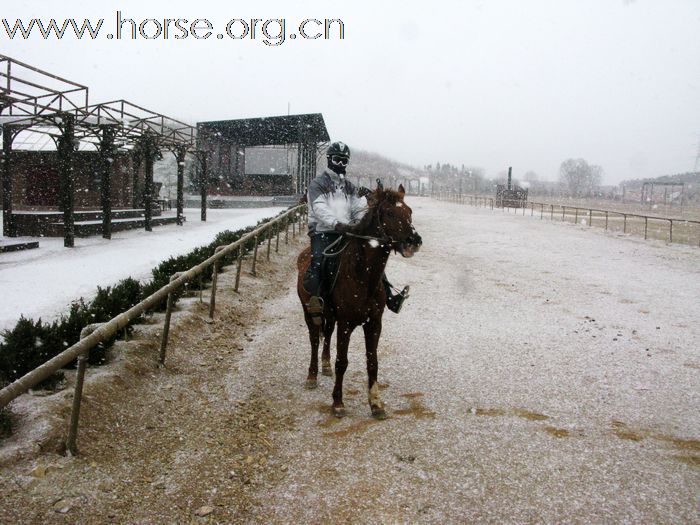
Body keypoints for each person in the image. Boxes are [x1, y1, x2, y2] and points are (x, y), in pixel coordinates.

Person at [303, 141, 409, 322]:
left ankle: (389, 296)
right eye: (338, 160)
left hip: (348, 232)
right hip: (323, 231)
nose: (341, 165)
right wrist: (336, 224)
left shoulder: (350, 186)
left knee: (371, 257)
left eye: (345, 161)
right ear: (330, 159)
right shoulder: (317, 184)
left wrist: (365, 217)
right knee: (319, 261)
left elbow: (358, 209)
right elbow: (319, 208)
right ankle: (317, 301)